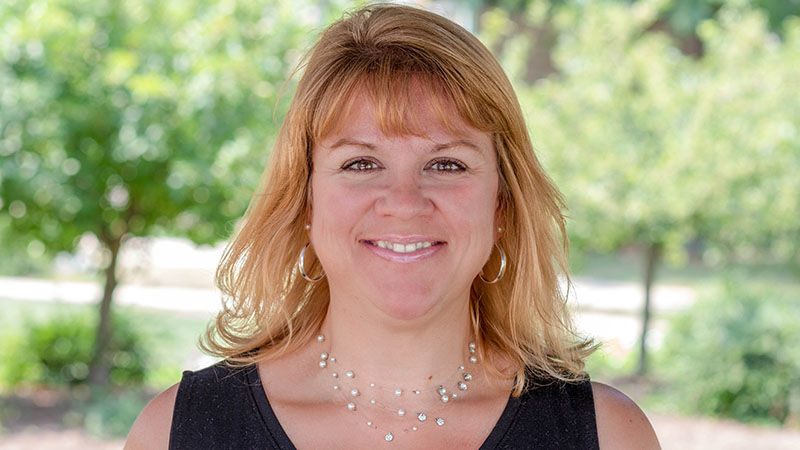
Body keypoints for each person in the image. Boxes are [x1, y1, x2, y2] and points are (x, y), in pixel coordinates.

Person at [126, 4, 660, 449]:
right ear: (305, 199)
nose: (404, 203)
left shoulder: (609, 436)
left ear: (502, 202)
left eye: (447, 164)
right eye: (361, 163)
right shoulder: (177, 432)